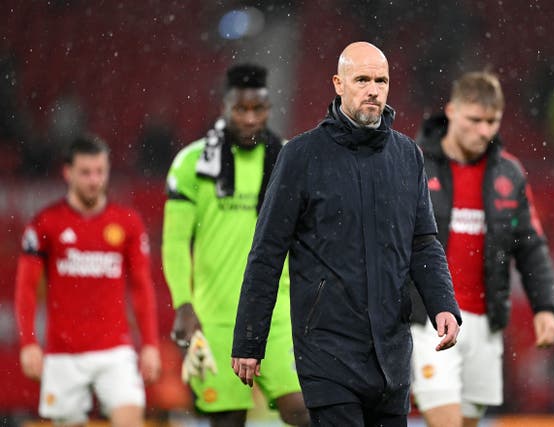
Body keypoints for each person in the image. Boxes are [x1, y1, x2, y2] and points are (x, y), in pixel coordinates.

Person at [231, 41, 462, 427]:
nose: (373, 89)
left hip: (391, 351)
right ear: (338, 84)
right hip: (327, 350)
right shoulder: (301, 156)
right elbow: (267, 252)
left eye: (381, 80)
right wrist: (249, 340)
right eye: (362, 79)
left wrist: (443, 303)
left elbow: (423, 242)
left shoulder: (408, 156)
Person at [409, 70, 554, 427]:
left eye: (491, 121)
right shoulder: (414, 164)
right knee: (445, 421)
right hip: (430, 319)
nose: (484, 131)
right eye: (474, 120)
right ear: (451, 112)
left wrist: (545, 306)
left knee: (465, 423)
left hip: (485, 323)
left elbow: (530, 245)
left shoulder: (508, 174)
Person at [161, 63, 309, 426]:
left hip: (278, 316)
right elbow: (176, 242)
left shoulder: (289, 159)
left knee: (306, 411)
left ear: (268, 110)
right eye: (240, 109)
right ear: (225, 108)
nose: (249, 118)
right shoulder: (193, 164)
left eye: (257, 109)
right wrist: (183, 304)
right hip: (217, 319)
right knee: (229, 421)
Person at [14, 134, 161, 427]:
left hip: (115, 350)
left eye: (100, 172)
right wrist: (29, 342)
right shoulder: (46, 223)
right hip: (63, 353)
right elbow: (26, 288)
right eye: (85, 172)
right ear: (67, 172)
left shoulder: (127, 222)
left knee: (131, 420)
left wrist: (150, 344)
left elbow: (142, 287)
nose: (94, 180)